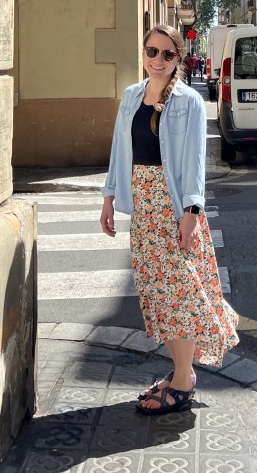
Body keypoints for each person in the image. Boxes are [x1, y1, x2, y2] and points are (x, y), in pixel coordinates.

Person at [100, 24, 239, 415]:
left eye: (167, 54)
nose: (157, 60)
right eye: (152, 51)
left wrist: (191, 212)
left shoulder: (189, 101)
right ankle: (181, 373)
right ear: (143, 52)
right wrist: (109, 197)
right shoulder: (131, 96)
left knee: (182, 295)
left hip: (173, 208)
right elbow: (119, 150)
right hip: (143, 208)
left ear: (179, 58)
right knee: (161, 295)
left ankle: (182, 381)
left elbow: (195, 159)